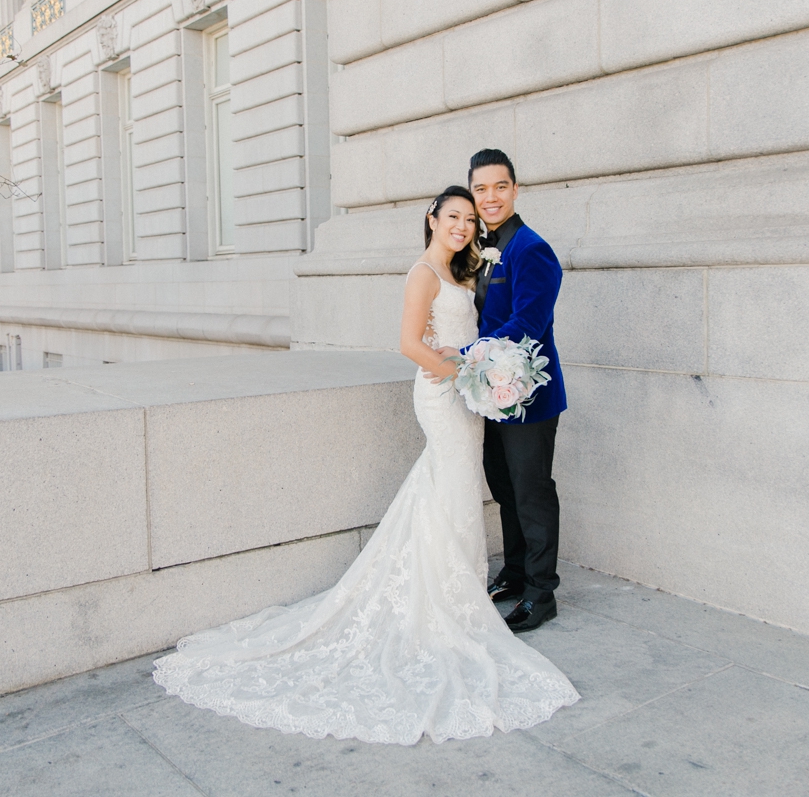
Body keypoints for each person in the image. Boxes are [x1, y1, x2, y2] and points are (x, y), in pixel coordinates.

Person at [153, 185, 578, 745]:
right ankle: (446, 603)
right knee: (450, 487)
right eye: (453, 216)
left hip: (465, 396)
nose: (463, 226)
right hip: (444, 396)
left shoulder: (463, 269)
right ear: (431, 218)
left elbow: (477, 331)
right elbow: (408, 343)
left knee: (449, 491)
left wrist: (475, 372)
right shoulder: (424, 272)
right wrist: (466, 374)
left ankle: (459, 590)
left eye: (469, 219)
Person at [465, 149, 567, 634]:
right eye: (481, 189)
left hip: (530, 396)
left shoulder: (531, 249)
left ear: (515, 190)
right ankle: (515, 570)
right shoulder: (482, 248)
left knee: (531, 492)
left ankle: (542, 591)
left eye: (499, 187)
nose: (490, 197)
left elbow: (528, 322)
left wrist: (467, 353)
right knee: (504, 488)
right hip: (492, 393)